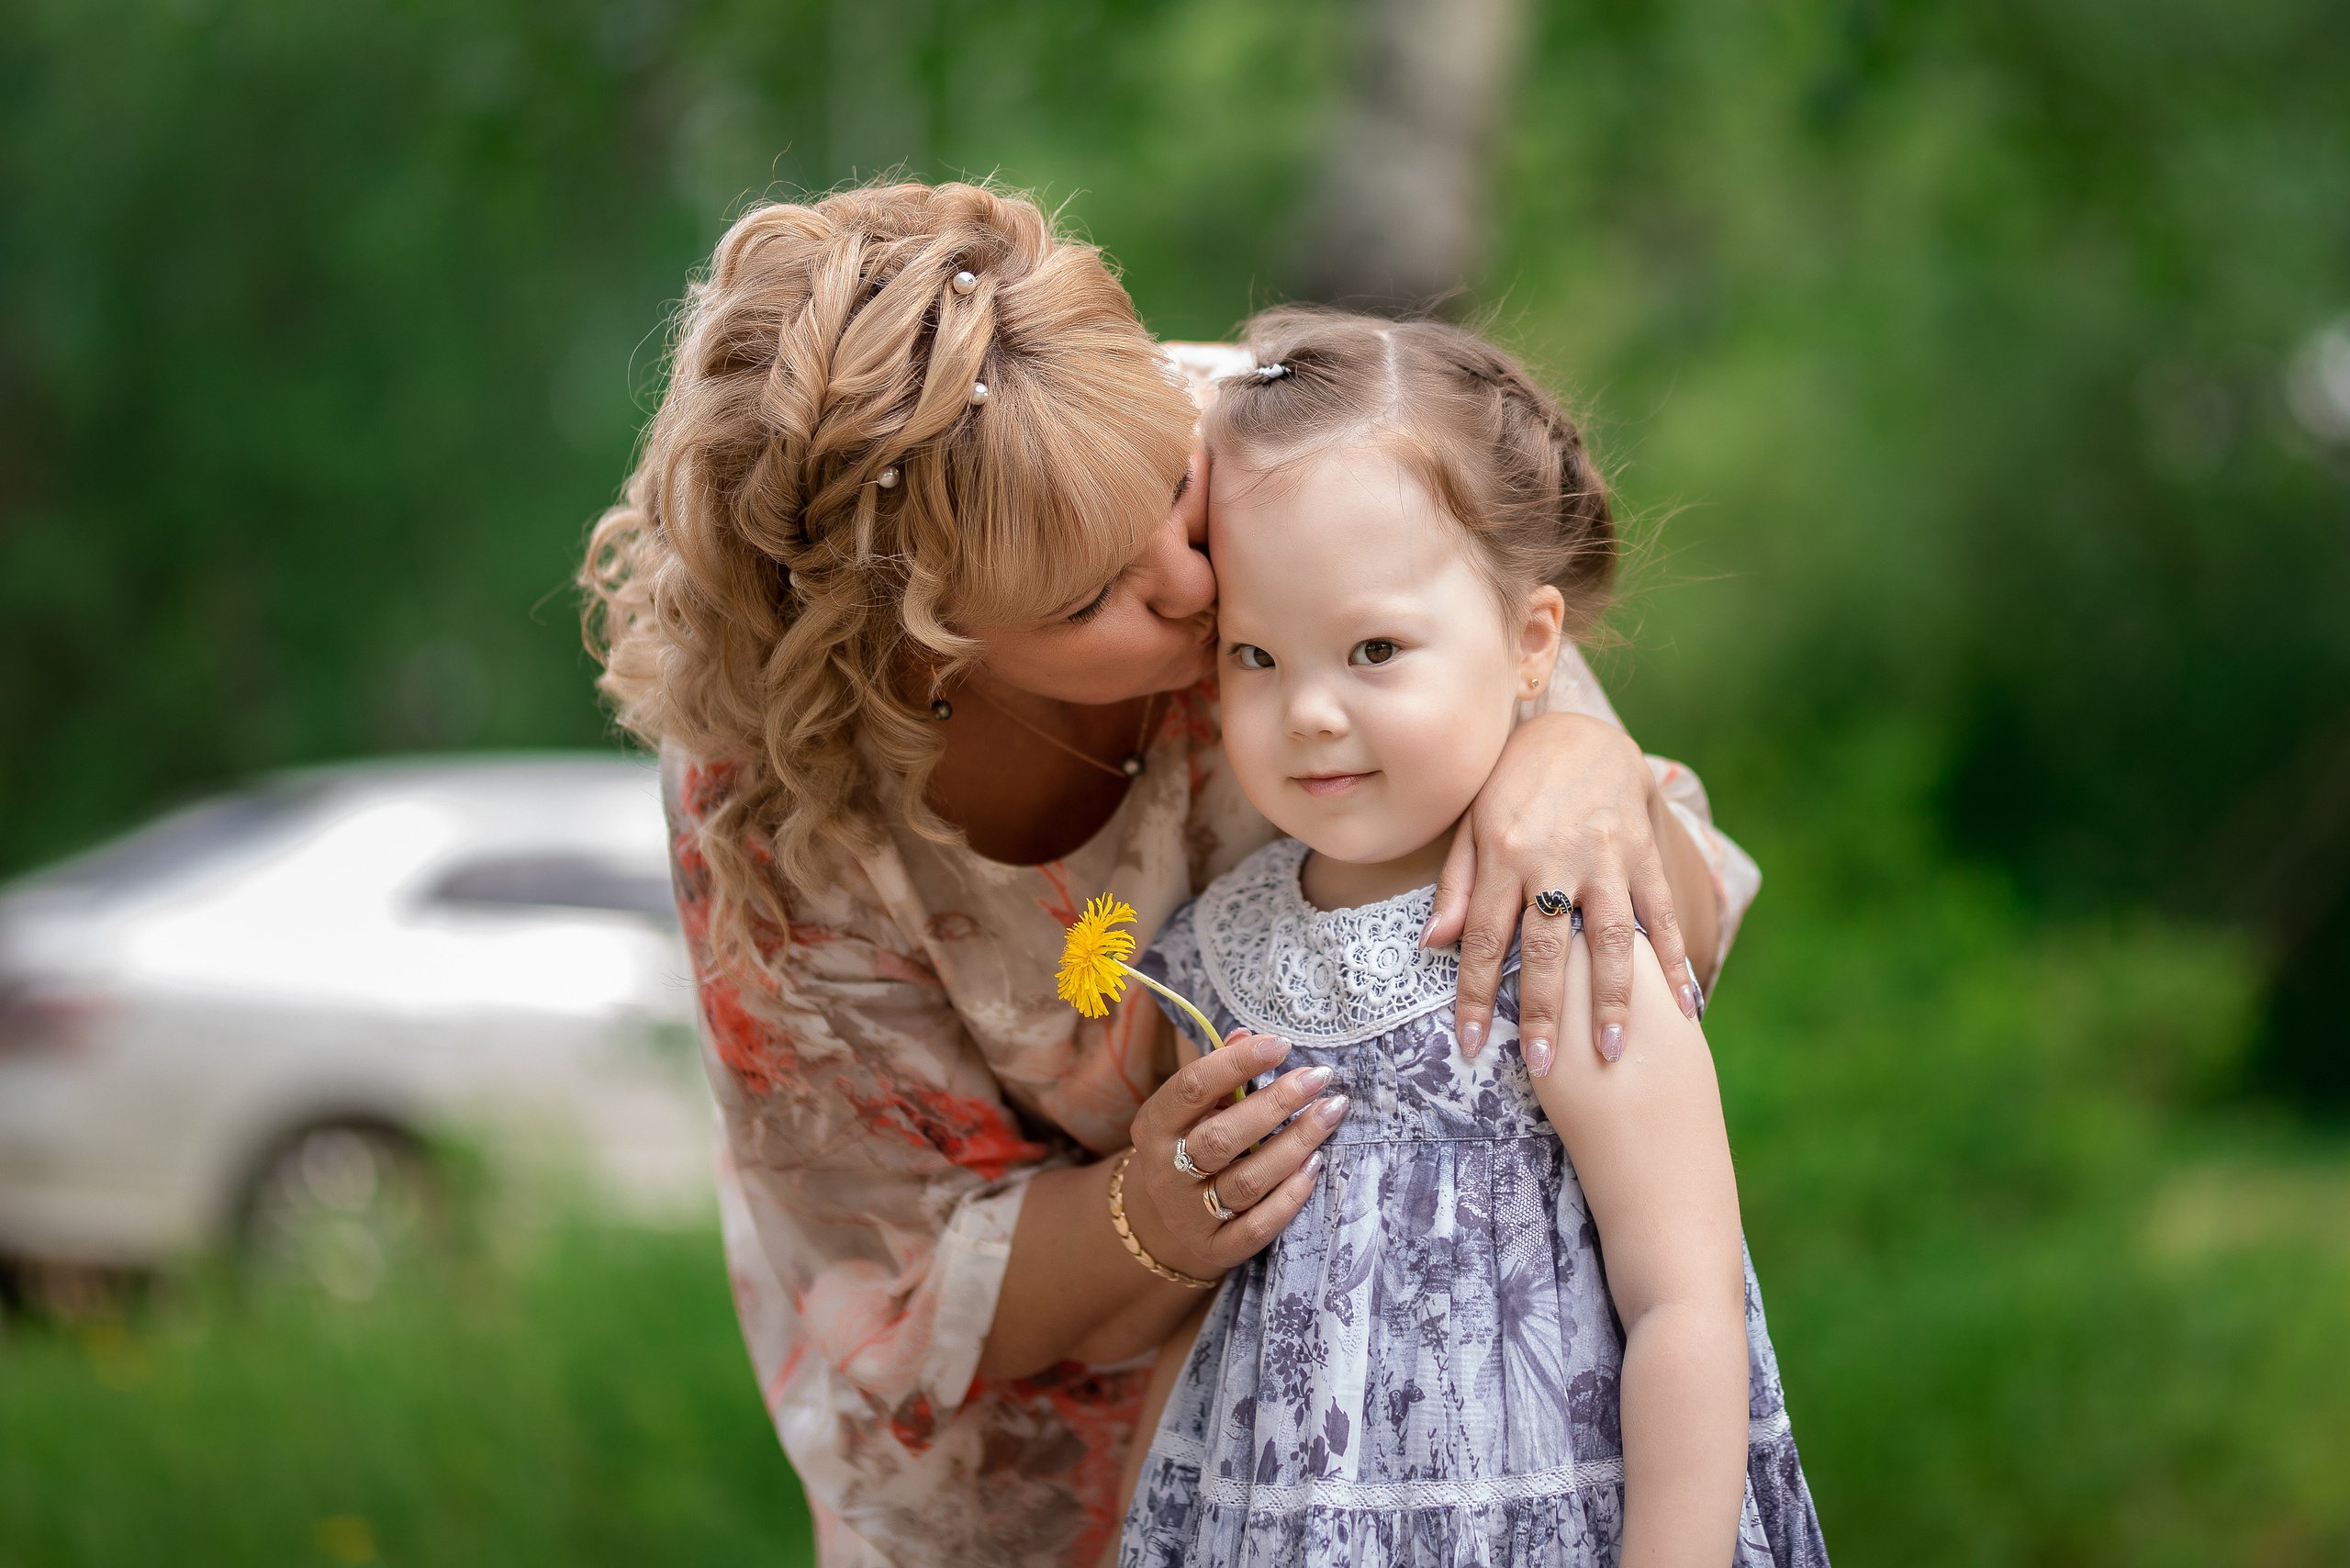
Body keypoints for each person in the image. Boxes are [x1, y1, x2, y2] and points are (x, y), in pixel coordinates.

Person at [581, 179, 1761, 1568]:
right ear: (917, 650)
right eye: (1091, 597)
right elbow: (885, 1288)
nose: (1199, 587)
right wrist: (1148, 1221)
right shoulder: (781, 806)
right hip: (1072, 1482)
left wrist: (1571, 760)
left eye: (1170, 493)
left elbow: (1639, 946)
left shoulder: (1277, 462)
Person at [1111, 310, 1825, 1567]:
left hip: (1536, 1511)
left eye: (1374, 650)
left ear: (1531, 639)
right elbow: (1207, 1296)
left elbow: (1685, 1303)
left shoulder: (1557, 918)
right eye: (1256, 656)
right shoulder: (1213, 949)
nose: (1311, 711)